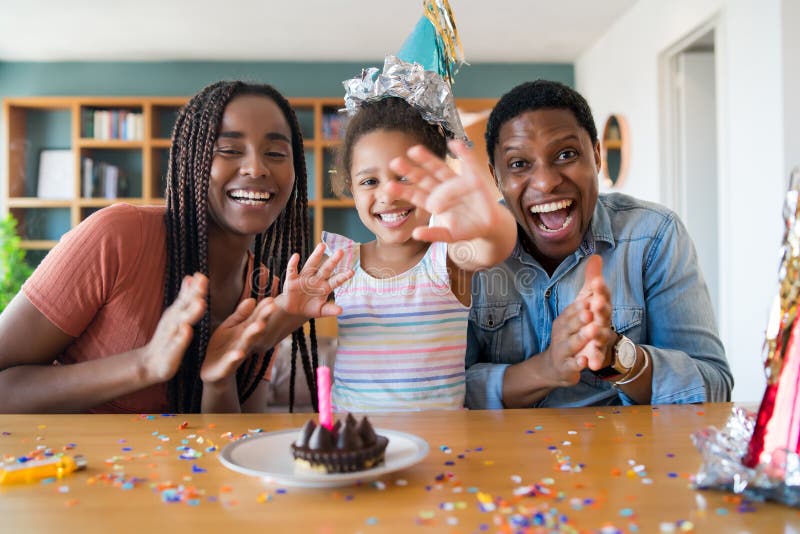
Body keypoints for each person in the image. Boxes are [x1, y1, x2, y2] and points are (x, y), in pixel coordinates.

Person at [0, 80, 352, 414]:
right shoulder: (118, 236)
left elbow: (230, 445)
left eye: (276, 153)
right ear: (191, 161)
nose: (256, 168)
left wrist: (224, 371)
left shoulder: (266, 293)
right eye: (228, 150)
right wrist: (145, 364)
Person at [400, 79, 733, 408]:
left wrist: (618, 357)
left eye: (566, 154)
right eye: (519, 164)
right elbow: (445, 390)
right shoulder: (468, 247)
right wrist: (545, 370)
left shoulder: (655, 236)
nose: (546, 182)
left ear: (597, 156)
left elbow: (714, 388)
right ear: (496, 177)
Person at [324, 94, 516, 412]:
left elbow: (493, 247)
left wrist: (490, 224)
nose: (389, 193)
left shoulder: (447, 258)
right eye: (370, 181)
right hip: (353, 445)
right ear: (350, 186)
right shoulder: (339, 260)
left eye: (405, 177)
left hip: (440, 446)